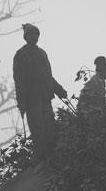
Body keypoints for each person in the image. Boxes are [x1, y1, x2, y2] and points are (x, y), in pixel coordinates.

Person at [13, 23, 68, 162]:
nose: (34, 37)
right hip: (32, 99)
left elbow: (48, 75)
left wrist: (59, 90)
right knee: (38, 130)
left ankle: (51, 156)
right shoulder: (21, 54)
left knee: (50, 126)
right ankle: (40, 159)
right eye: (31, 34)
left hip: (45, 97)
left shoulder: (42, 53)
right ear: (26, 37)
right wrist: (22, 102)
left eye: (36, 34)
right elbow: (19, 80)